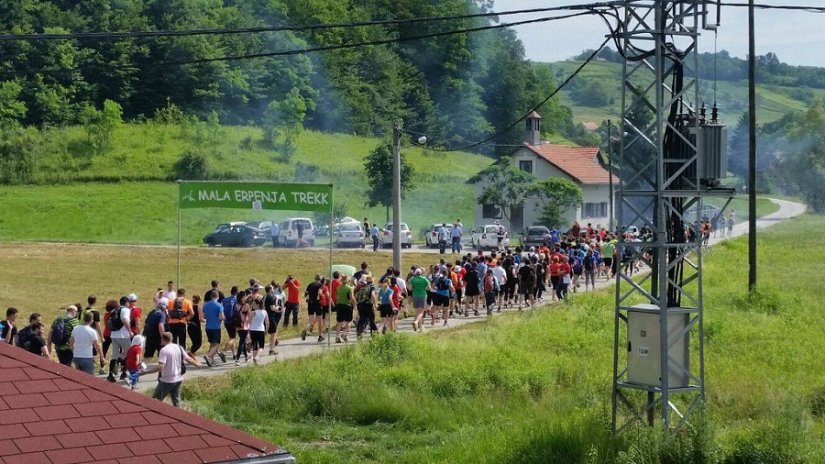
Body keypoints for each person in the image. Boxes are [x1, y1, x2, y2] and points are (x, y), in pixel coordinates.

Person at [141, 332, 201, 407]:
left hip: (167, 380)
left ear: (163, 339)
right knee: (176, 403)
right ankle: (178, 416)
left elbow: (161, 366)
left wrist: (146, 372)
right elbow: (188, 359)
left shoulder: (164, 350)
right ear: (171, 339)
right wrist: (197, 364)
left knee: (155, 401)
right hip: (178, 379)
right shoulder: (179, 347)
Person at [107, 297, 131, 382]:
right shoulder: (126, 310)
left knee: (114, 355)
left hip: (114, 335)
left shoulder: (115, 310)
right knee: (127, 354)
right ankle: (124, 372)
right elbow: (125, 320)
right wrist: (130, 331)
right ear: (126, 302)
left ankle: (110, 374)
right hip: (123, 335)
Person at [202, 290, 225, 367]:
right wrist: (223, 318)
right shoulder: (219, 305)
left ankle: (212, 360)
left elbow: (203, 316)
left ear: (211, 296)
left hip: (208, 327)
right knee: (217, 344)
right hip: (216, 327)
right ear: (218, 296)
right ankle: (208, 356)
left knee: (212, 344)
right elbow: (221, 317)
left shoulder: (205, 305)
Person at [301, 275, 326, 343]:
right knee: (320, 318)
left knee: (310, 319)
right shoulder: (320, 285)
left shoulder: (310, 284)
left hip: (310, 303)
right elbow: (320, 292)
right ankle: (320, 336)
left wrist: (309, 297)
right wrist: (319, 296)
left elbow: (306, 293)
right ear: (320, 279)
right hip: (317, 303)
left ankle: (306, 329)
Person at [334, 275, 355, 343]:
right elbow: (351, 298)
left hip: (339, 305)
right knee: (349, 321)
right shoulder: (350, 288)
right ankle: (344, 334)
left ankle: (337, 336)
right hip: (347, 305)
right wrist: (354, 304)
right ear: (347, 281)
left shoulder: (338, 288)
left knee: (339, 322)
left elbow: (337, 297)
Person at [248, 295, 268, 365]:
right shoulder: (264, 312)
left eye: (254, 304)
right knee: (261, 346)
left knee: (255, 345)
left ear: (258, 304)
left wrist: (248, 330)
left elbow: (249, 322)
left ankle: (254, 359)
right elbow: (267, 322)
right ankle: (257, 357)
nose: (253, 305)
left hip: (253, 330)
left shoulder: (253, 312)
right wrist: (266, 330)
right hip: (261, 330)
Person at [264, 284, 283, 355]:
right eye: (272, 288)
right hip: (270, 317)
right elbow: (272, 308)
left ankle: (253, 344)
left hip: (263, 316)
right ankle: (271, 350)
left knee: (263, 332)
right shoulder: (272, 297)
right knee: (273, 334)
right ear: (270, 290)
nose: (273, 290)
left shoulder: (264, 296)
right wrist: (278, 308)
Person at [235, 292, 252, 365]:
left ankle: (246, 356)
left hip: (238, 325)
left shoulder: (235, 305)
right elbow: (250, 315)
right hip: (245, 326)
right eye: (245, 296)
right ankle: (237, 359)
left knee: (243, 341)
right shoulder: (246, 305)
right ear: (242, 297)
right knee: (242, 342)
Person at [221, 286, 238, 358]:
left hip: (226, 321)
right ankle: (224, 351)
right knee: (233, 338)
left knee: (231, 336)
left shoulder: (224, 300)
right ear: (237, 292)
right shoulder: (236, 300)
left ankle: (234, 354)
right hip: (233, 321)